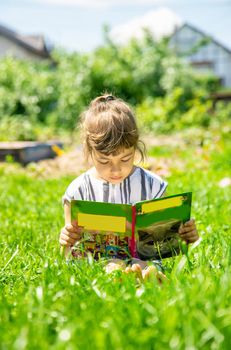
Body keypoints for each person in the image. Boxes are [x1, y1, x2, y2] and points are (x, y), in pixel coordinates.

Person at [59, 94, 199, 281]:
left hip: (144, 259)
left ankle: (145, 276)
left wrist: (186, 237)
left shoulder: (152, 185)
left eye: (125, 159)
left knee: (142, 263)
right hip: (98, 263)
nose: (115, 170)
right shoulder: (78, 190)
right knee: (113, 264)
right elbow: (69, 252)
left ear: (136, 147)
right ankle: (122, 277)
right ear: (89, 150)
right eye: (104, 160)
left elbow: (166, 243)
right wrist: (66, 241)